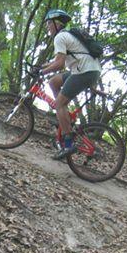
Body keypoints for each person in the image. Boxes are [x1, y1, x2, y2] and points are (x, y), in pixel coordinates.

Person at [36, 9, 102, 160]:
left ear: (56, 23)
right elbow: (58, 61)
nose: (47, 27)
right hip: (87, 71)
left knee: (59, 104)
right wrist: (41, 68)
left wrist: (41, 73)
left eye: (48, 23)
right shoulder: (67, 36)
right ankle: (66, 117)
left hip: (84, 72)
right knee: (53, 82)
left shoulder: (60, 37)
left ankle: (68, 143)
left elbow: (59, 65)